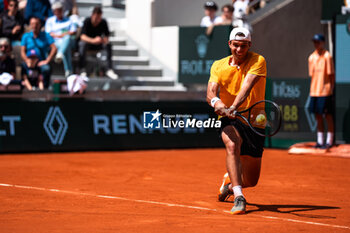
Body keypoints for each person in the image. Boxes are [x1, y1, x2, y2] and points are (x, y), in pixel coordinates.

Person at [206, 27, 267, 214]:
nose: (239, 50)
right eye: (236, 45)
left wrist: (233, 107)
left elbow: (246, 87)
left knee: (251, 180)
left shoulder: (258, 60)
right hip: (229, 120)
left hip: (254, 121)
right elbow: (210, 92)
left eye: (244, 46)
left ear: (249, 45)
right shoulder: (218, 65)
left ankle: (230, 184)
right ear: (229, 44)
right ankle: (239, 197)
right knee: (232, 145)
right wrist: (218, 104)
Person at [308, 34, 335, 149]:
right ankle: (320, 141)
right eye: (314, 42)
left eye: (318, 42)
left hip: (325, 91)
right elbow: (312, 75)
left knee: (327, 116)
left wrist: (330, 89)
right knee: (318, 116)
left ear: (323, 43)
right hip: (314, 92)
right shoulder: (311, 58)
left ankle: (329, 141)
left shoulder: (327, 56)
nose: (316, 44)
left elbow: (331, 75)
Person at [78, 6, 118, 79]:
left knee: (108, 45)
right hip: (88, 44)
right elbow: (82, 36)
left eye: (99, 18)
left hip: (98, 44)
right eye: (96, 18)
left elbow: (106, 37)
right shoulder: (87, 21)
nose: (97, 20)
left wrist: (101, 40)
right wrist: (93, 40)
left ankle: (109, 69)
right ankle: (82, 68)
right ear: (92, 15)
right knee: (82, 44)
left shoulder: (103, 22)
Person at [21, 17, 57, 88]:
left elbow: (54, 48)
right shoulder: (26, 36)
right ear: (30, 25)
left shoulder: (46, 35)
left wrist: (47, 60)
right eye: (32, 24)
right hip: (29, 61)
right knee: (23, 68)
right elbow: (22, 51)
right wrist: (26, 60)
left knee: (46, 69)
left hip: (41, 61)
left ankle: (45, 89)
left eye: (36, 24)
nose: (34, 26)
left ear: (40, 25)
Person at [45, 1, 76, 77]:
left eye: (60, 10)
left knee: (67, 39)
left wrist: (63, 35)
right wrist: (60, 36)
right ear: (54, 12)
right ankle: (68, 70)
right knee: (66, 47)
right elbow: (49, 33)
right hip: (56, 42)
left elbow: (73, 31)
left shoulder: (69, 20)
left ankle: (60, 54)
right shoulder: (50, 21)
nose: (59, 12)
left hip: (68, 40)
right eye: (57, 10)